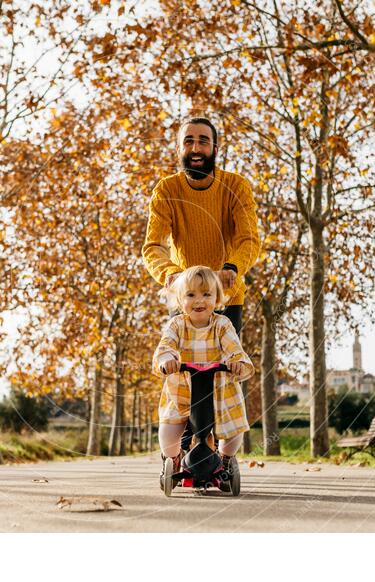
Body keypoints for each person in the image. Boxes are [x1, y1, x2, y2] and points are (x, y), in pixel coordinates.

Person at [142, 116, 260, 451]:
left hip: (227, 297)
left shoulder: (236, 186)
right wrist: (171, 275)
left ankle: (218, 449)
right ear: (179, 148)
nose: (196, 148)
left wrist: (232, 267)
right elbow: (153, 245)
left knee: (222, 374)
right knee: (182, 376)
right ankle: (191, 444)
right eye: (189, 141)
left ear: (215, 148)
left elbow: (248, 237)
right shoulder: (167, 189)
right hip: (184, 296)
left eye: (203, 141)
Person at [152, 266, 254, 487]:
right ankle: (173, 458)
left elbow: (234, 349)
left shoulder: (222, 325)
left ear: (217, 298)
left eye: (207, 294)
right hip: (182, 390)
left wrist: (237, 362)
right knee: (168, 435)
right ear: (180, 300)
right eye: (191, 294)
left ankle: (225, 460)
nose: (199, 300)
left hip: (219, 391)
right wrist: (166, 359)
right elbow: (166, 345)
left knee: (234, 433)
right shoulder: (177, 325)